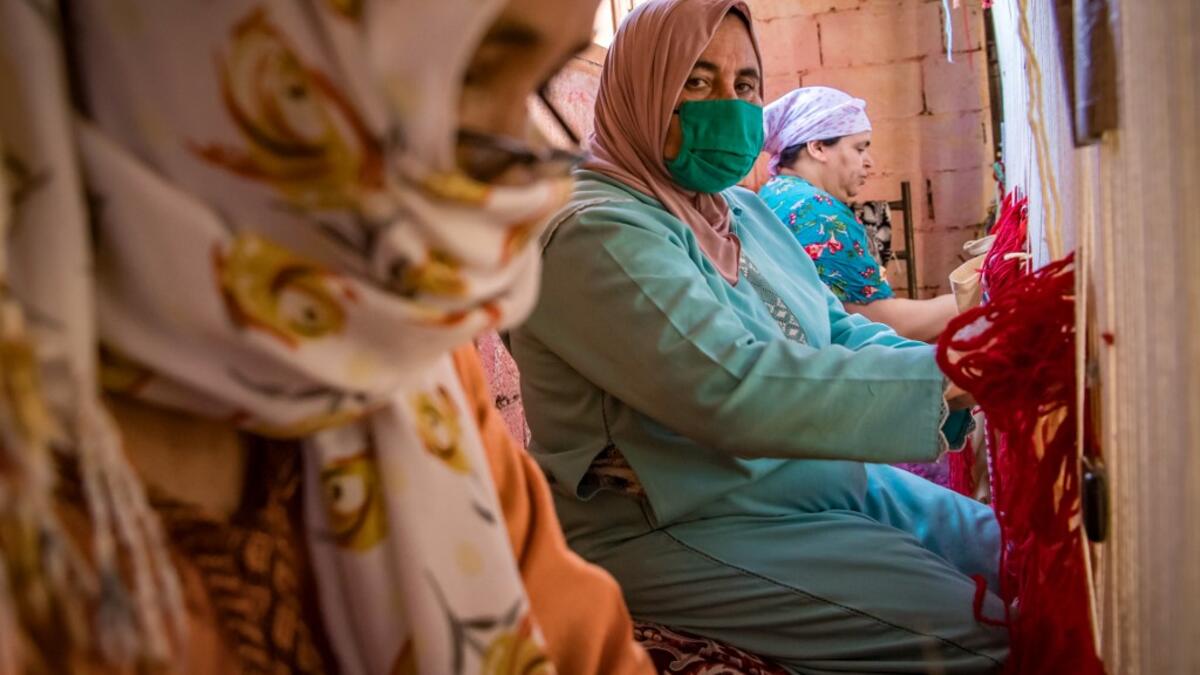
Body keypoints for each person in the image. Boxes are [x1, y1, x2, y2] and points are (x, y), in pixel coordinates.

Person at [0, 0, 652, 673]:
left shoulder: (407, 364)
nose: (533, 187)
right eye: (468, 75)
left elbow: (585, 644)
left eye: (542, 82)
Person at [508, 1, 1008, 672]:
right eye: (697, 80)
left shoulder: (740, 210)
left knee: (1013, 555)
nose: (731, 106)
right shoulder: (594, 230)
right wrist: (948, 379)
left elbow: (835, 329)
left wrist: (955, 361)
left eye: (745, 86)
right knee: (982, 637)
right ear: (640, 85)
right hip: (680, 520)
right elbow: (731, 386)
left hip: (795, 481)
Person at [759, 87, 960, 342]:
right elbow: (882, 323)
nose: (869, 162)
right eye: (859, 148)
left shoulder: (775, 192)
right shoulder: (819, 212)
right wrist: (975, 295)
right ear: (818, 147)